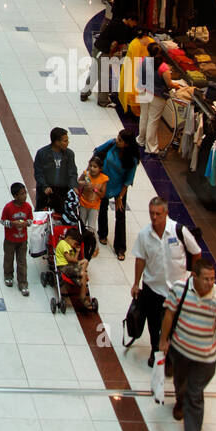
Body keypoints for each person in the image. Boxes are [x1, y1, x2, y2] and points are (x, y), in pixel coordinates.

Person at [158, 258, 216, 431]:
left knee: (195, 394)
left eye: (213, 278)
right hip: (180, 352)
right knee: (181, 384)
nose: (210, 283)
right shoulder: (180, 289)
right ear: (195, 277)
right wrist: (163, 339)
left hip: (205, 359)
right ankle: (180, 401)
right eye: (206, 279)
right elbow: (169, 315)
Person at [133, 197, 201, 368]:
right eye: (151, 213)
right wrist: (136, 283)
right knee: (154, 323)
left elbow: (196, 252)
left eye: (158, 214)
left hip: (177, 290)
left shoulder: (180, 231)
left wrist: (193, 274)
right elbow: (140, 259)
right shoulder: (144, 235)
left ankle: (170, 349)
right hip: (153, 288)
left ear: (166, 213)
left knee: (175, 323)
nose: (154, 217)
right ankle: (155, 350)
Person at [94, 129, 140, 259]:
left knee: (120, 214)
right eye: (118, 138)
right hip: (104, 183)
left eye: (120, 140)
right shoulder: (111, 144)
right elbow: (97, 151)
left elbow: (128, 180)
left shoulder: (132, 159)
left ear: (127, 144)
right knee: (102, 208)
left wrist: (120, 197)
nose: (117, 140)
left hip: (119, 187)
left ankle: (120, 247)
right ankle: (102, 233)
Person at [33, 128, 78, 213]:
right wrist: (45, 186)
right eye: (65, 141)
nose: (68, 143)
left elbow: (72, 173)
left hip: (62, 192)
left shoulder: (69, 154)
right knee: (42, 217)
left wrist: (73, 187)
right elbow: (38, 173)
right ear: (57, 142)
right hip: (46, 192)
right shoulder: (42, 153)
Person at [0, 183, 32, 296]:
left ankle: (23, 283)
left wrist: (26, 223)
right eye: (22, 194)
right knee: (9, 258)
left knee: (22, 261)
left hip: (22, 240)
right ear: (15, 196)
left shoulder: (28, 207)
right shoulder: (8, 207)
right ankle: (8, 276)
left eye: (25, 193)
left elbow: (31, 220)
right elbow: (2, 221)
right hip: (10, 240)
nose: (25, 196)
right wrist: (12, 223)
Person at [54, 227, 94, 309]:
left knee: (86, 261)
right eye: (75, 243)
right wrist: (77, 261)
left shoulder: (70, 246)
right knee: (84, 274)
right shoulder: (63, 244)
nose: (75, 246)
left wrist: (78, 252)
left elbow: (74, 259)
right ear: (69, 238)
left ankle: (81, 277)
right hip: (64, 266)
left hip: (71, 266)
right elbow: (69, 259)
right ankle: (83, 297)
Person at [77, 155, 108, 235]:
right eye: (90, 166)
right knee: (81, 225)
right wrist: (83, 183)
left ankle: (92, 244)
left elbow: (102, 195)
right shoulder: (86, 174)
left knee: (91, 227)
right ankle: (81, 242)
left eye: (95, 166)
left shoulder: (103, 179)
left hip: (94, 206)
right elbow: (77, 182)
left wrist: (94, 189)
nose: (92, 168)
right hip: (83, 203)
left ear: (100, 169)